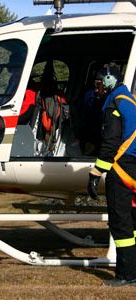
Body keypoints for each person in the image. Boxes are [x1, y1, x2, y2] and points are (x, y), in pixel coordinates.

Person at [87, 63, 136, 287]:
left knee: (121, 223)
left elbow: (110, 142)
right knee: (133, 223)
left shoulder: (115, 103)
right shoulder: (130, 100)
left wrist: (96, 172)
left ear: (108, 80)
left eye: (99, 84)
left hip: (122, 169)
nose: (97, 89)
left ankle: (126, 275)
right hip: (133, 167)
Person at [76, 71, 108, 156]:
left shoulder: (111, 98)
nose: (96, 88)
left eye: (99, 84)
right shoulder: (89, 95)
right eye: (96, 84)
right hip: (89, 128)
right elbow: (81, 111)